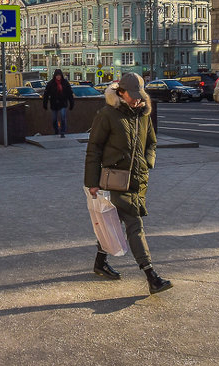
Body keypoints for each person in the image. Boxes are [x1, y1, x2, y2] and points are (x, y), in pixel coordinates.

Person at [84, 72, 171, 295]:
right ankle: (151, 275)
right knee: (134, 225)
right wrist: (92, 182)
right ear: (120, 93)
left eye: (139, 95)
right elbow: (94, 149)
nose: (137, 99)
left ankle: (100, 262)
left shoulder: (143, 114)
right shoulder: (108, 114)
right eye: (133, 96)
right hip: (114, 181)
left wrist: (147, 162)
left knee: (114, 223)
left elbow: (151, 142)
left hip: (138, 180)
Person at [42, 68, 75, 137]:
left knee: (63, 117)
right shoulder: (51, 83)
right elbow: (46, 94)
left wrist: (71, 103)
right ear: (55, 76)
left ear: (61, 76)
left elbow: (69, 94)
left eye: (59, 75)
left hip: (63, 103)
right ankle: (56, 130)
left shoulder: (65, 83)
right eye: (57, 75)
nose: (58, 77)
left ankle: (62, 131)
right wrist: (45, 104)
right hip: (54, 103)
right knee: (54, 119)